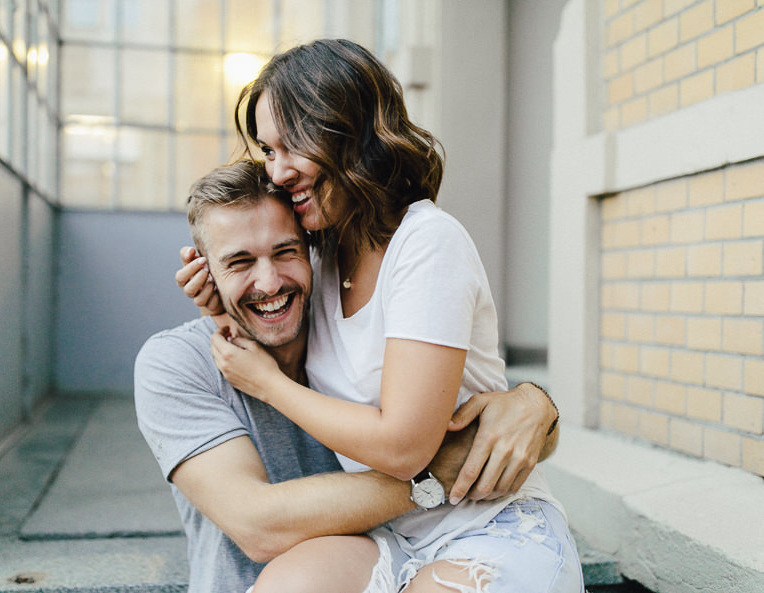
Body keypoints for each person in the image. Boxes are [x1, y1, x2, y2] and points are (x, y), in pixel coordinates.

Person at [179, 39, 583, 592]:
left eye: (292, 144)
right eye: (267, 152)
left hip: (486, 523)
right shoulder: (319, 254)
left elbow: (402, 445)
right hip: (386, 532)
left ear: (353, 131)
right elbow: (272, 307)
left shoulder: (426, 242)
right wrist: (222, 300)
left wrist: (269, 386)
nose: (278, 172)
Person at [137, 159, 562, 593]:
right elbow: (258, 525)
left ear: (312, 252)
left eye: (285, 252)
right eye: (239, 262)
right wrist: (435, 475)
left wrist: (534, 404)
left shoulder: (342, 322)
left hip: (414, 560)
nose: (268, 283)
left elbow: (469, 409)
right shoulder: (175, 364)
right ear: (203, 270)